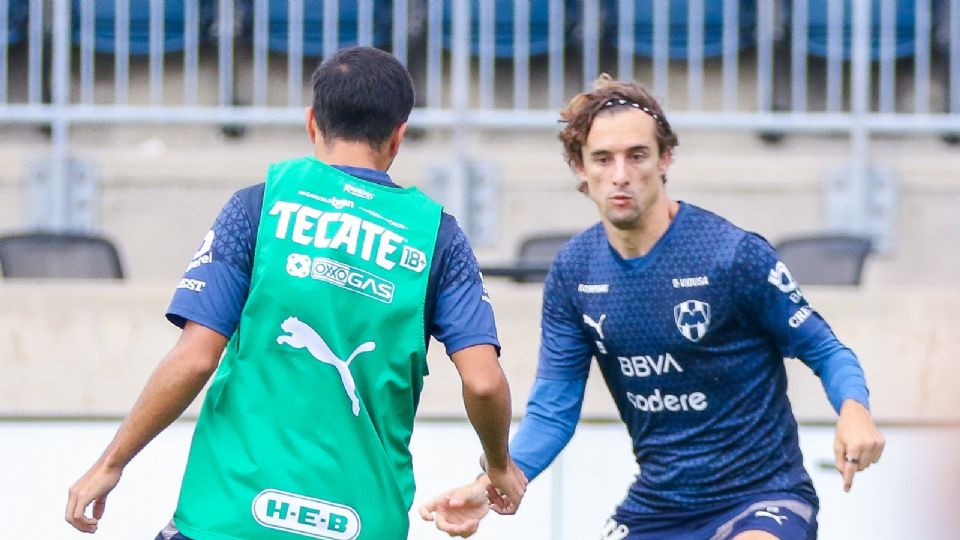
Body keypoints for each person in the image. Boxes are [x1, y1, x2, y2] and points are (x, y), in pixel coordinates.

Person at [65, 46, 526, 540]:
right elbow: (482, 382)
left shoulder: (259, 207)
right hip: (361, 524)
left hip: (232, 516)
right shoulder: (439, 238)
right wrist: (497, 464)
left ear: (312, 123)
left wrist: (111, 463)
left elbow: (195, 357)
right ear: (399, 136)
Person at [420, 75, 885, 540]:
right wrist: (492, 483)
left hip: (763, 498)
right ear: (581, 169)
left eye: (636, 155)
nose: (620, 174)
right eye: (603, 158)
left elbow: (826, 349)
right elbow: (553, 411)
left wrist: (854, 409)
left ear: (665, 159)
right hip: (659, 506)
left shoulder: (732, 255)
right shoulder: (573, 272)